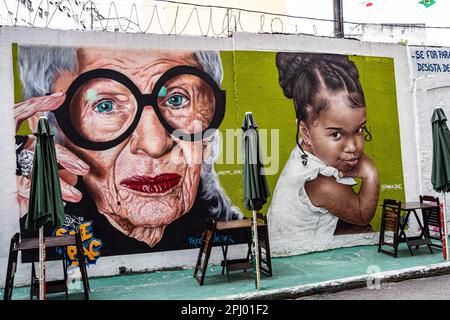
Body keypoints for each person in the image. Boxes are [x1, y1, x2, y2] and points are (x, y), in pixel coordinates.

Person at [15, 45, 243, 256]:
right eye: (105, 106)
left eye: (176, 99)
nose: (154, 145)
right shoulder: (35, 235)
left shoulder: (234, 232)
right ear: (43, 123)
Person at [268, 52, 380, 255]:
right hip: (298, 259)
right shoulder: (318, 181)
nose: (352, 146)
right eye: (336, 134)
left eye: (359, 130)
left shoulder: (305, 154)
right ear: (305, 133)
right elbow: (363, 214)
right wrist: (370, 174)